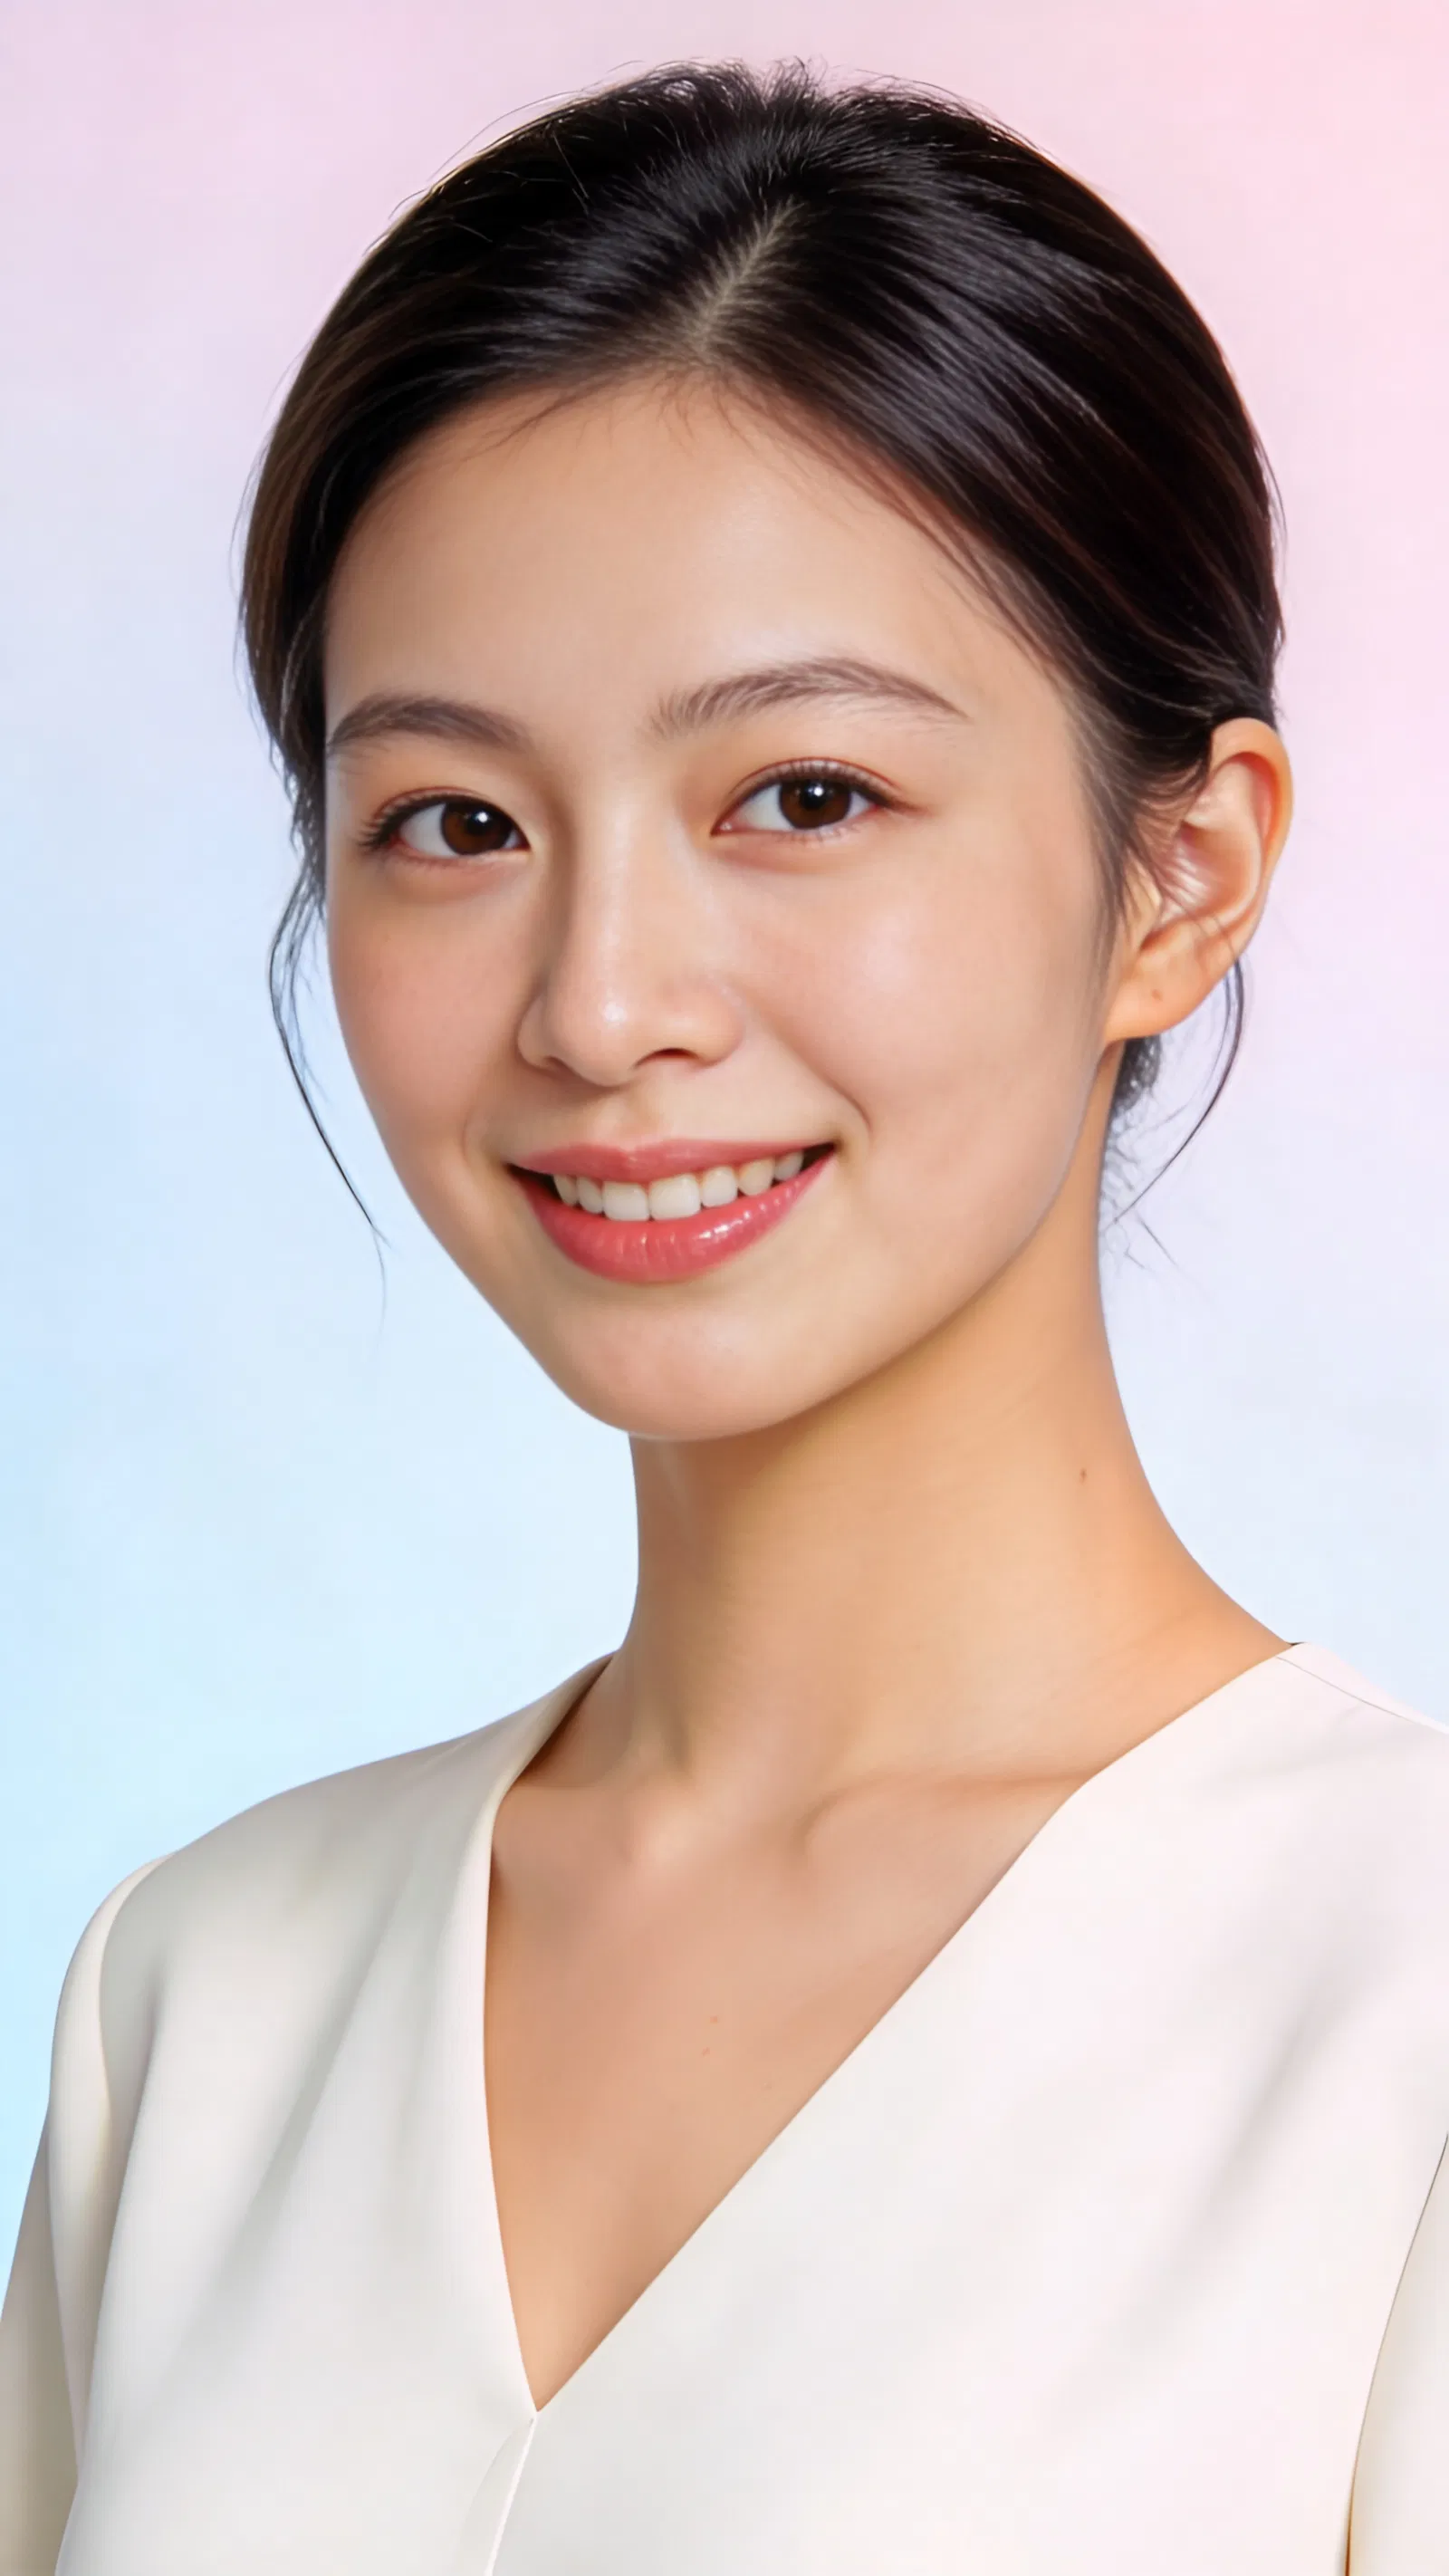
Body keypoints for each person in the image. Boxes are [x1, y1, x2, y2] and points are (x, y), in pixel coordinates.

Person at [2, 60, 1445, 2576]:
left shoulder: (1393, 2015)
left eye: (800, 794)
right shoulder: (201, 1999)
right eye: (454, 821)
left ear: (1178, 881)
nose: (602, 1001)